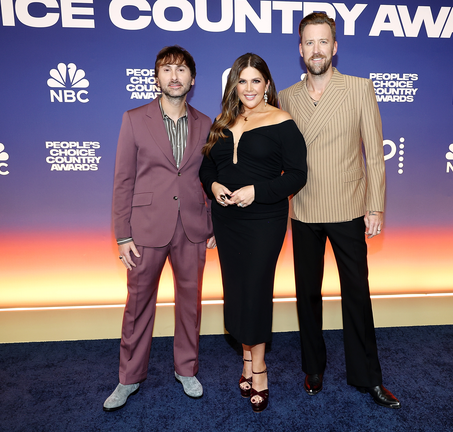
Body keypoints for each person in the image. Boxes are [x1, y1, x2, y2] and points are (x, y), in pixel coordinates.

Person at [278, 12, 401, 409]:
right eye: (309, 43)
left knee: (356, 294)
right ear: (300, 50)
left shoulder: (359, 88)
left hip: (348, 206)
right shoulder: (287, 97)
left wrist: (375, 205)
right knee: (307, 295)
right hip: (305, 207)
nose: (316, 49)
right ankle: (313, 368)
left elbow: (375, 155)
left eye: (323, 41)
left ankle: (368, 376)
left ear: (335, 46)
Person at [104, 45, 216, 412]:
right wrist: (123, 235)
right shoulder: (134, 119)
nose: (174, 76)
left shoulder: (206, 123)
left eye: (181, 70)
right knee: (137, 305)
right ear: (157, 78)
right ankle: (128, 377)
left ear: (192, 80)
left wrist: (211, 222)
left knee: (190, 304)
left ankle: (186, 369)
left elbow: (210, 177)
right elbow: (123, 179)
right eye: (167, 70)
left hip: (192, 227)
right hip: (146, 229)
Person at [199, 53, 307, 413]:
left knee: (257, 291)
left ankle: (259, 369)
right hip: (227, 221)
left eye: (255, 81)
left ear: (267, 84)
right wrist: (213, 186)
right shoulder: (222, 120)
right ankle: (245, 361)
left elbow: (296, 176)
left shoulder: (282, 121)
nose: (248, 88)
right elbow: (205, 169)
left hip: (264, 221)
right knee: (236, 290)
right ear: (234, 85)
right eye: (242, 81)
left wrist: (257, 191)